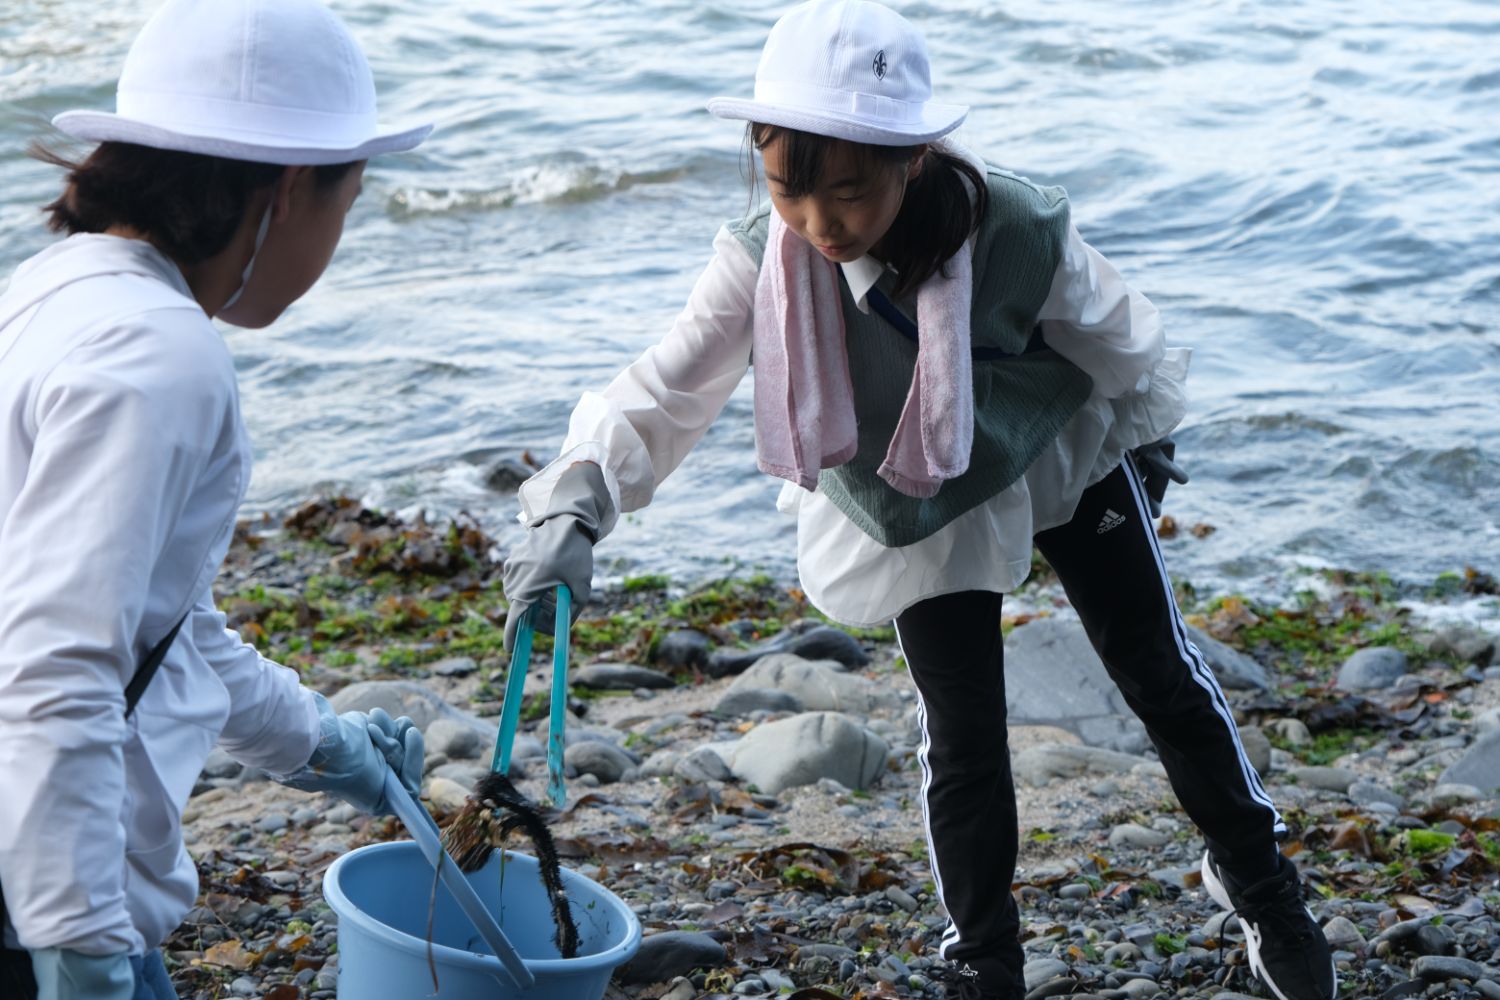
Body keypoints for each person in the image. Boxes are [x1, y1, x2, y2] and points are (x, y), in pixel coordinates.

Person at [501, 2, 1336, 999]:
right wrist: (574, 504)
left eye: (849, 193)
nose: (817, 224)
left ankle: (1263, 888)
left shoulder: (1016, 227)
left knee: (1158, 671)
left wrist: (1146, 446)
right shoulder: (760, 259)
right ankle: (984, 960)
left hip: (1057, 447)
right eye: (787, 190)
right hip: (911, 485)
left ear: (913, 157)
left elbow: (1124, 341)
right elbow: (667, 386)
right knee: (965, 729)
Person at [0, 1, 432, 997]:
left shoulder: (59, 286)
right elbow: (59, 663)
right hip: (36, 904)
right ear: (287, 192)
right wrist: (83, 946)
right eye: (347, 199)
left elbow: (162, 628)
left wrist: (323, 743)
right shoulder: (162, 354)